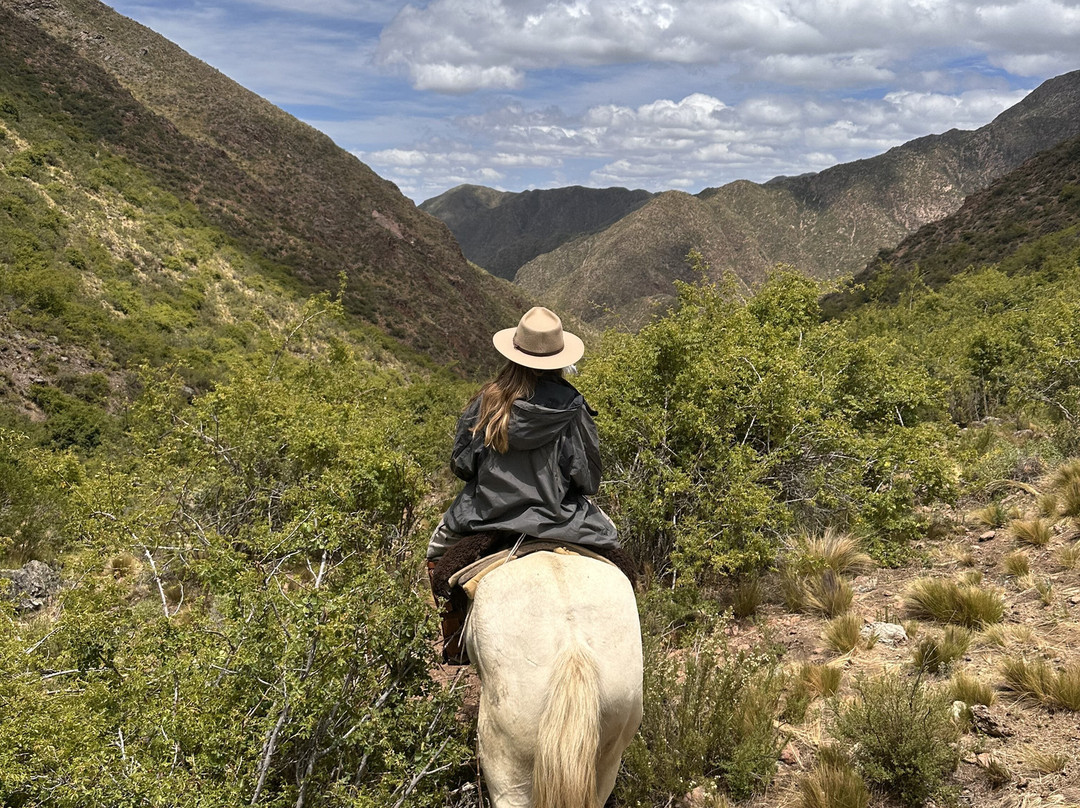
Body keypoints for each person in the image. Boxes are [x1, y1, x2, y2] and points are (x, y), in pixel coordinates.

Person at [426, 307, 622, 662]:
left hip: (486, 518)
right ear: (559, 359)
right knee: (619, 553)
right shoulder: (574, 409)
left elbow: (462, 465)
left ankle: (454, 643)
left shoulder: (486, 402)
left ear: (514, 354)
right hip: (559, 518)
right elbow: (588, 479)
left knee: (437, 555)